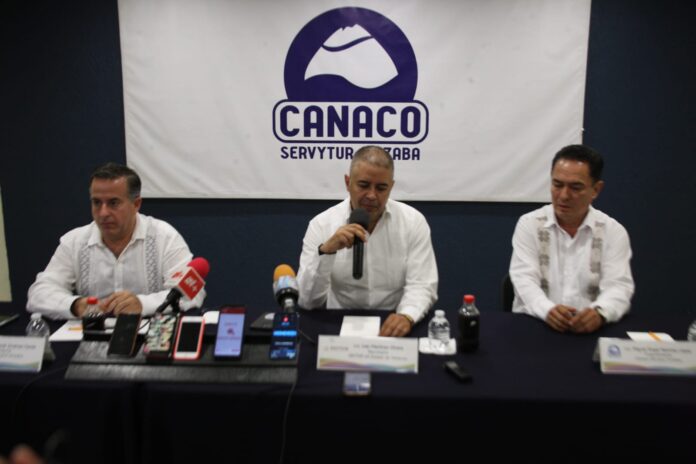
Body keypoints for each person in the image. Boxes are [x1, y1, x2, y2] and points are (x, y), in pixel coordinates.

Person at [27, 162, 205, 319]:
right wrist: (75, 305)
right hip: (90, 336)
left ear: (136, 204)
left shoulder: (164, 237)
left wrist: (141, 304)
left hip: (148, 336)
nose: (103, 213)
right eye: (97, 202)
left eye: (113, 203)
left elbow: (193, 293)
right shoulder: (74, 241)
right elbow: (39, 293)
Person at [296, 146, 438, 337]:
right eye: (363, 185)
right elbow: (307, 301)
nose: (371, 195)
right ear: (348, 183)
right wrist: (326, 251)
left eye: (381, 188)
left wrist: (406, 315)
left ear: (391, 187)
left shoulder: (413, 222)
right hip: (338, 324)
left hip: (393, 322)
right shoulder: (321, 225)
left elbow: (421, 284)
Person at [509, 144, 634, 333]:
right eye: (557, 185)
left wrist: (600, 313)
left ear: (596, 189)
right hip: (536, 326)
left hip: (590, 331)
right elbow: (523, 279)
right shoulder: (530, 224)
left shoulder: (613, 232)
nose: (564, 195)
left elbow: (619, 286)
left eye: (575, 187)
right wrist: (547, 310)